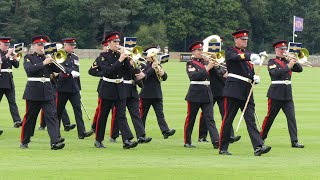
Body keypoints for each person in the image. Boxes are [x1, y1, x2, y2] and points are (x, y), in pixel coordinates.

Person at [219, 29, 271, 156]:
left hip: (247, 90)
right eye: (242, 40)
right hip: (233, 89)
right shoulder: (230, 51)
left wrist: (254, 78)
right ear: (236, 40)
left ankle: (258, 147)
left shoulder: (248, 53)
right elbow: (235, 58)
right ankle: (223, 147)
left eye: (246, 40)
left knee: (250, 119)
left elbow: (249, 70)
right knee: (228, 119)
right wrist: (249, 57)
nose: (245, 42)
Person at [94, 32, 138, 149]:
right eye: (115, 42)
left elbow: (128, 71)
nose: (117, 44)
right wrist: (120, 60)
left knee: (121, 115)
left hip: (120, 88)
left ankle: (126, 140)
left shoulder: (121, 55)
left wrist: (129, 60)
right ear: (109, 43)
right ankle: (98, 140)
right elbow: (108, 71)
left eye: (118, 42)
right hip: (108, 88)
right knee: (103, 115)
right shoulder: (103, 56)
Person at [20, 35, 65, 150]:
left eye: (43, 45)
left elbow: (59, 70)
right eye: (39, 45)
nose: (41, 47)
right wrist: (44, 63)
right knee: (30, 117)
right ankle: (24, 141)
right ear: (34, 46)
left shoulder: (48, 57)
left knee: (52, 116)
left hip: (47, 91)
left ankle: (55, 142)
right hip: (33, 91)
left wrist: (53, 59)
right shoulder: (28, 57)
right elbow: (29, 70)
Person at [260, 40, 304, 148]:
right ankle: (260, 138)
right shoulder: (272, 62)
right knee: (270, 117)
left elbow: (300, 69)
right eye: (281, 49)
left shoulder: (287, 61)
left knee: (291, 117)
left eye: (285, 49)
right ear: (276, 50)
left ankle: (294, 141)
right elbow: (275, 73)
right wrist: (288, 66)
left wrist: (294, 61)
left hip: (287, 94)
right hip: (275, 93)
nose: (284, 51)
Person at [198, 38, 241, 144]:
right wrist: (210, 63)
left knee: (225, 113)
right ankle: (202, 136)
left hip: (222, 90)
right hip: (210, 90)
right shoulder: (205, 60)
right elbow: (204, 73)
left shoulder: (221, 57)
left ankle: (229, 135)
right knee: (206, 115)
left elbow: (224, 74)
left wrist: (219, 66)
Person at [108, 45, 152, 144]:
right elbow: (118, 71)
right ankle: (114, 135)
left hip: (132, 91)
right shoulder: (121, 63)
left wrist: (141, 75)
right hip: (122, 89)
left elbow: (139, 80)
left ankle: (141, 136)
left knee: (136, 114)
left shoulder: (135, 64)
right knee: (120, 114)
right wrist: (128, 63)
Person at [184, 41, 220, 148]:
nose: (201, 52)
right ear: (193, 52)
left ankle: (216, 141)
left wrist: (215, 66)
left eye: (201, 50)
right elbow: (194, 76)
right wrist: (208, 67)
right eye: (198, 50)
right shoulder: (190, 63)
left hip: (207, 93)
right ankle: (187, 141)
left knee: (210, 118)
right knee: (191, 118)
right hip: (195, 93)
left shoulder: (206, 62)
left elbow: (217, 76)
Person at [56, 38, 93, 139]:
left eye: (74, 45)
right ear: (65, 45)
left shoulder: (75, 57)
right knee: (58, 111)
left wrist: (79, 88)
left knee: (78, 110)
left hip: (74, 87)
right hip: (63, 87)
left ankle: (82, 132)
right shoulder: (59, 55)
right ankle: (56, 134)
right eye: (71, 45)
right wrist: (69, 72)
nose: (73, 47)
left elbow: (78, 73)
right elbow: (59, 66)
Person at [139, 47, 175, 139]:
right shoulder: (143, 65)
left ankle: (165, 131)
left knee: (160, 114)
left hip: (157, 94)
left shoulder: (157, 64)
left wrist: (162, 73)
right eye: (153, 55)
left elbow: (164, 78)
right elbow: (144, 76)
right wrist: (152, 68)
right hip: (146, 94)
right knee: (142, 115)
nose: (155, 57)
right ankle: (141, 134)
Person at [0, 37, 22, 128]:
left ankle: (17, 120)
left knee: (12, 101)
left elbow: (16, 66)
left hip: (9, 80)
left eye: (8, 45)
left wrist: (14, 58)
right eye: (5, 45)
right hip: (1, 81)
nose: (6, 47)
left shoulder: (9, 53)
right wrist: (8, 54)